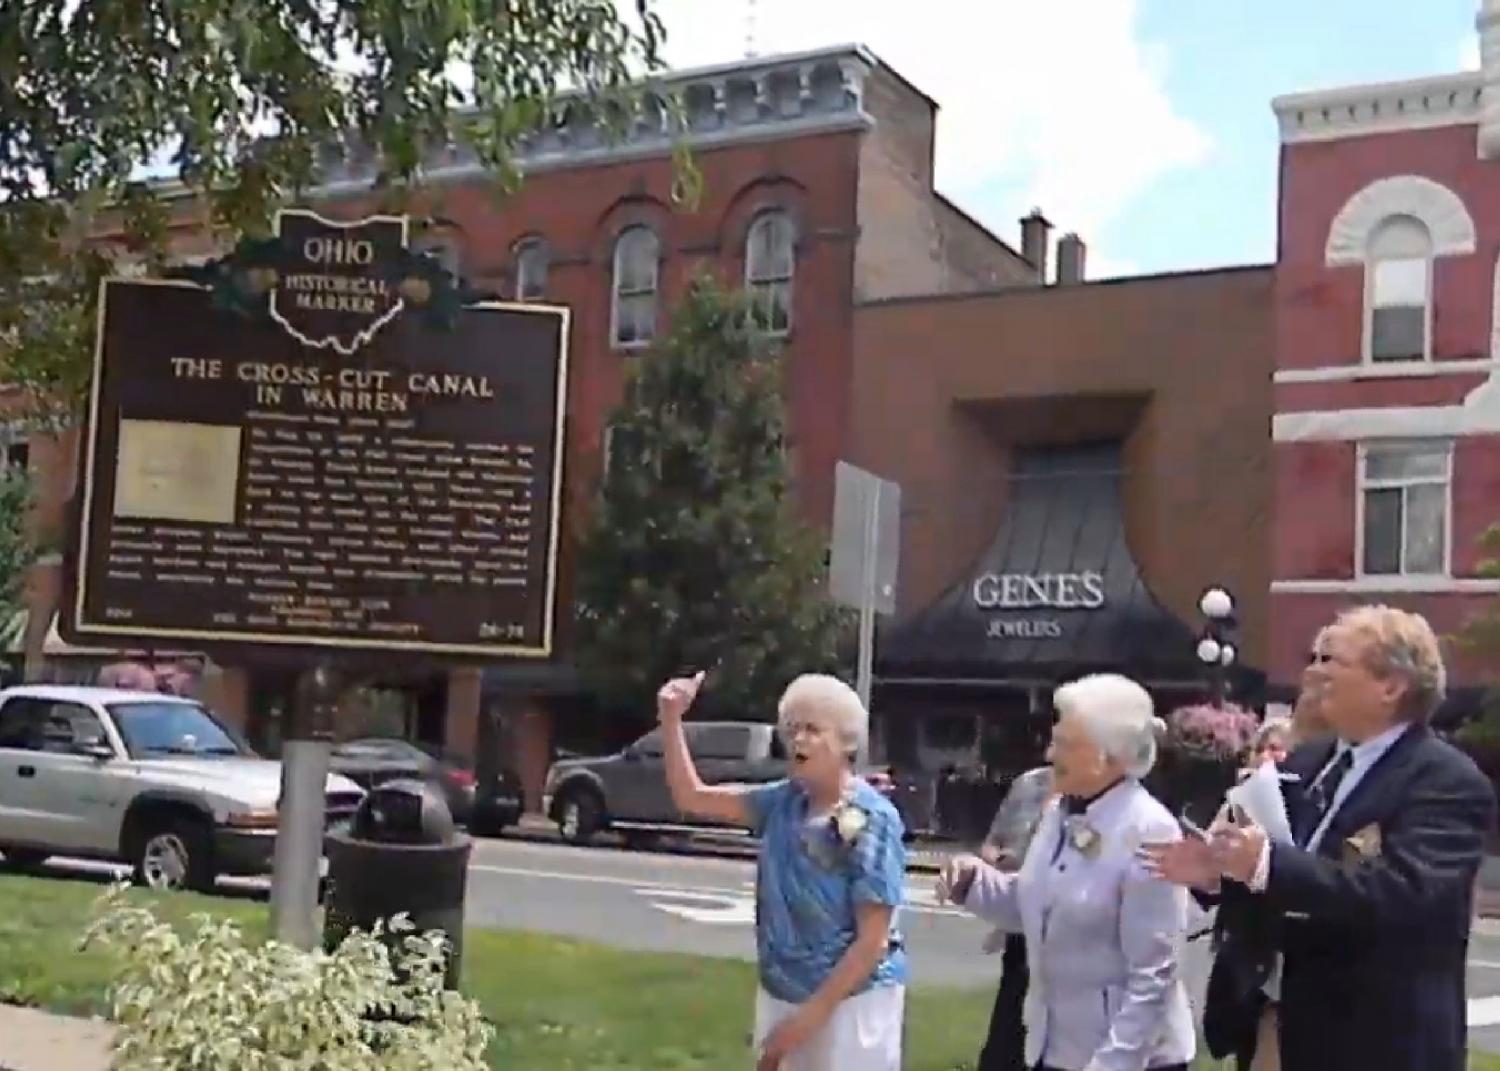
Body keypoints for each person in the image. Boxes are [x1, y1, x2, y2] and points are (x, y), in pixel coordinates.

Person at [1143, 604, 1497, 1071]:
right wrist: (1220, 874)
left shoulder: (1445, 782)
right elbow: (1281, 879)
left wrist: (1266, 863)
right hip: (1279, 1025)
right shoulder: (1306, 764)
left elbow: (1402, 894)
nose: (1314, 674)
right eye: (1315, 658)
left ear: (1391, 686)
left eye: (1333, 662)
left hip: (1380, 1040)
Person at [937, 674, 1196, 1071]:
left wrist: (1113, 1064)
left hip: (1130, 1059)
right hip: (1057, 1048)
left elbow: (1154, 975)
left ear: (1109, 757)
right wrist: (974, 883)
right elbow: (1036, 905)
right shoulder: (1061, 813)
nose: (1048, 753)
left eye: (1065, 745)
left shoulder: (1149, 831)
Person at [655, 671, 907, 1070]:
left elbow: (872, 943)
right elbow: (692, 796)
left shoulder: (874, 819)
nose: (798, 740)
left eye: (812, 729)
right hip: (782, 991)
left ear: (846, 742)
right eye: (792, 729)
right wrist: (671, 719)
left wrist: (806, 1020)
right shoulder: (782, 802)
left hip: (851, 1005)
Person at [975, 764, 1055, 1071]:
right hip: (1018, 922)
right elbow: (994, 839)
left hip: (1059, 926)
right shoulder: (1029, 783)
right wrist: (993, 860)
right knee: (1011, 1009)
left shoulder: (1090, 795)